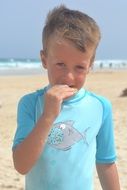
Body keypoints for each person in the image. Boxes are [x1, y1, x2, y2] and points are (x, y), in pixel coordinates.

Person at [12, 5, 120, 190]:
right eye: (60, 64)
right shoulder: (30, 104)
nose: (69, 77)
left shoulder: (100, 106)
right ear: (45, 60)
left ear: (91, 65)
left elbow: (105, 163)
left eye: (79, 67)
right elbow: (21, 166)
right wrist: (47, 116)